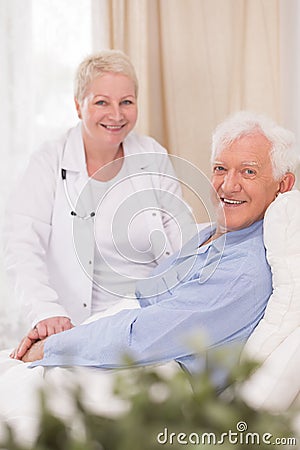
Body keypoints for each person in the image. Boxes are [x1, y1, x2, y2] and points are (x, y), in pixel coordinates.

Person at [16, 110, 298, 370]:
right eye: (220, 169)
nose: (228, 185)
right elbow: (141, 302)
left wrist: (51, 347)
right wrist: (65, 335)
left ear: (283, 185)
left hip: (141, 378)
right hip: (101, 344)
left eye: (248, 171)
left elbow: (139, 337)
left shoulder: (241, 270)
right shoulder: (208, 237)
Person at [3, 50, 195, 344]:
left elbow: (182, 241)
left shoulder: (152, 154)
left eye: (126, 102)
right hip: (75, 326)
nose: (116, 115)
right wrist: (46, 311)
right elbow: (21, 247)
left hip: (148, 319)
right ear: (79, 107)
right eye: (101, 102)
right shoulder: (49, 160)